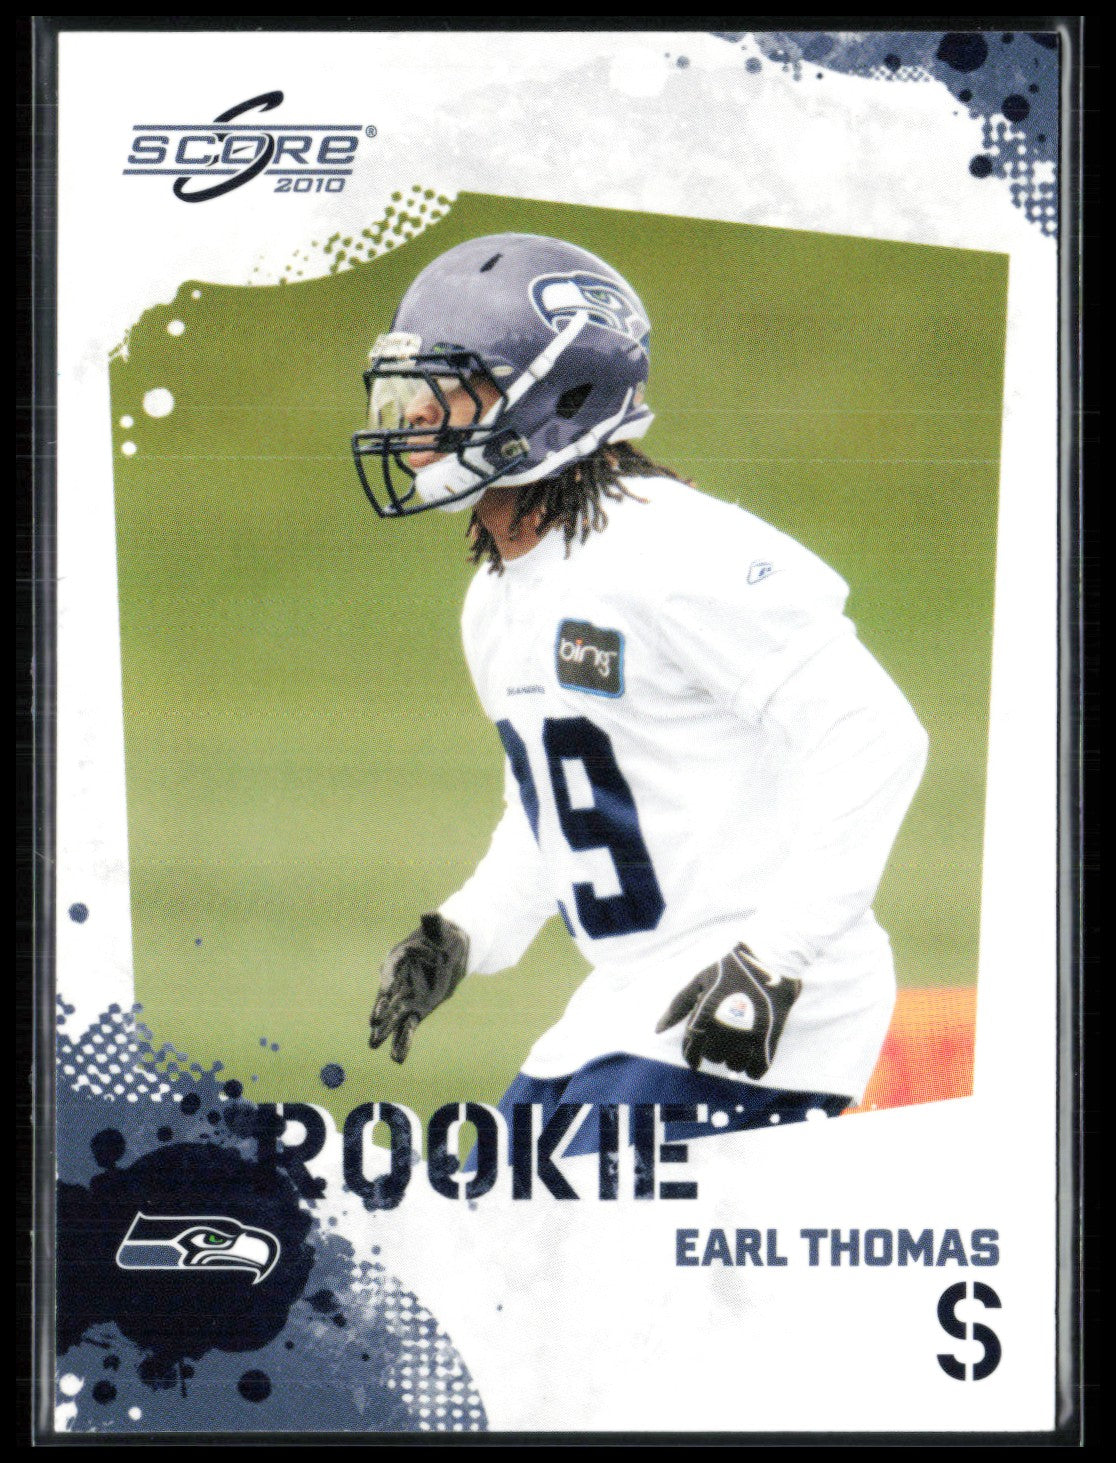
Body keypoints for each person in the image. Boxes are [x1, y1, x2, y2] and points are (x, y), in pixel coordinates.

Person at [352, 232, 928, 1153]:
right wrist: (465, 929)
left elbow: (873, 733)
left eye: (454, 387)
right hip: (629, 1000)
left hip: (756, 1002)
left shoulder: (674, 550)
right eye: (412, 386)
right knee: (484, 1213)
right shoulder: (496, 597)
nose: (417, 414)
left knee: (551, 1236)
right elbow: (558, 804)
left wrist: (774, 959)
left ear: (558, 394)